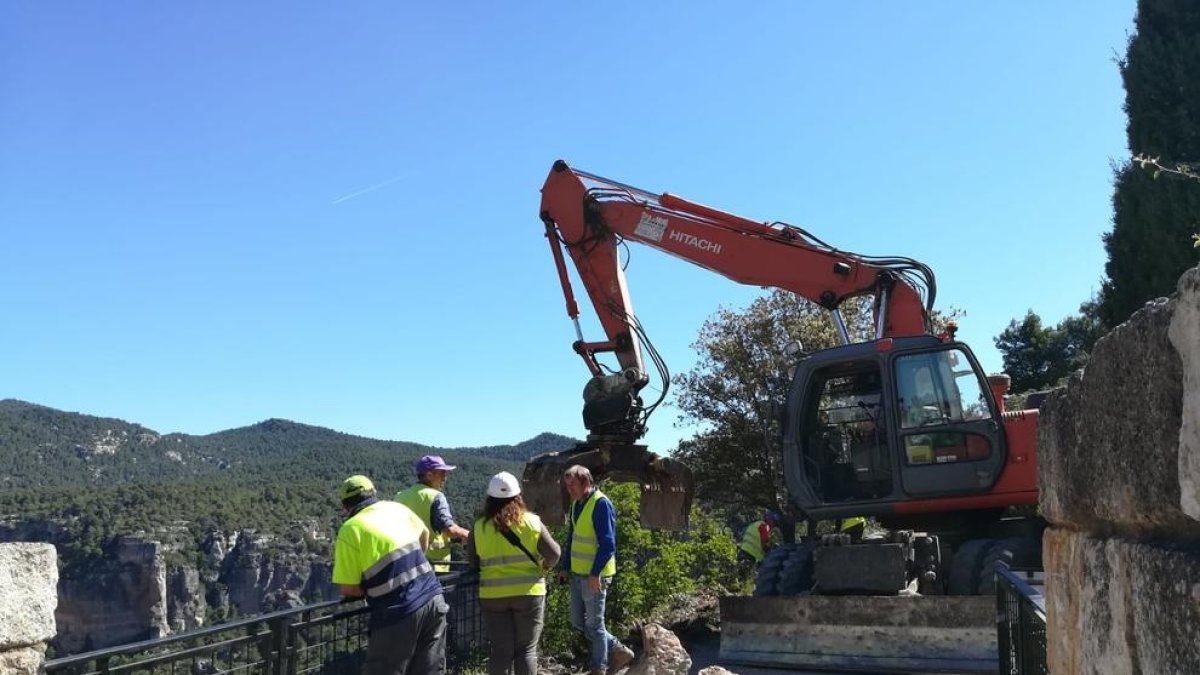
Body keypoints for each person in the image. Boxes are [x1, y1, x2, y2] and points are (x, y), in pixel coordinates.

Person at [331, 475, 448, 675]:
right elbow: (425, 535)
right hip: (433, 597)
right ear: (373, 493)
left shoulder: (351, 529)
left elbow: (349, 588)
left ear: (345, 506)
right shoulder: (395, 507)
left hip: (398, 611)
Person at [466, 471, 561, 675]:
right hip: (529, 593)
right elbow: (554, 553)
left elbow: (472, 562)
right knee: (526, 650)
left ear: (490, 499)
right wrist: (544, 567)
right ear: (518, 496)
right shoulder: (531, 522)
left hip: (492, 596)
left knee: (501, 651)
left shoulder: (478, 527)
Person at [556, 465, 635, 675]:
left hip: (595, 576)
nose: (569, 489)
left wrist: (595, 573)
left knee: (595, 625)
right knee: (578, 621)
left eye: (572, 485)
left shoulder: (601, 504)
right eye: (567, 485)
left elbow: (608, 544)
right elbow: (572, 539)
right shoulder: (577, 505)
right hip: (577, 574)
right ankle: (618, 649)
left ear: (586, 483)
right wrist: (565, 567)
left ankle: (598, 668)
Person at [396, 455, 470, 573]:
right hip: (432, 567)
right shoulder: (436, 497)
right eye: (442, 473)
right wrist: (471, 535)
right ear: (429, 475)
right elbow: (450, 530)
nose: (445, 478)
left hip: (405, 565)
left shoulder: (400, 496)